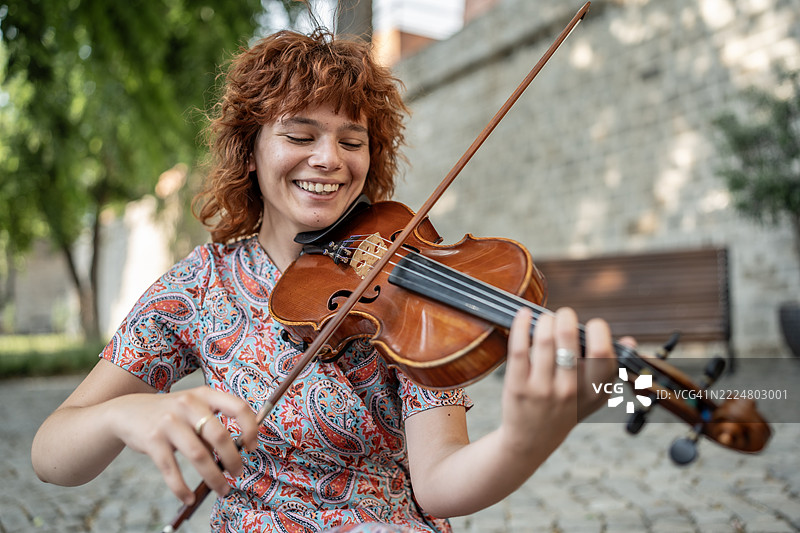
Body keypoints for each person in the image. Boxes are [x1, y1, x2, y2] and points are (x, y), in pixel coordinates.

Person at [31, 29, 619, 532]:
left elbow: (439, 481)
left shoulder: (407, 283)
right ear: (251, 152)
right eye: (300, 135)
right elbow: (52, 455)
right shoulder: (199, 288)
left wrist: (527, 438)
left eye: (352, 140)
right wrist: (121, 415)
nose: (329, 158)